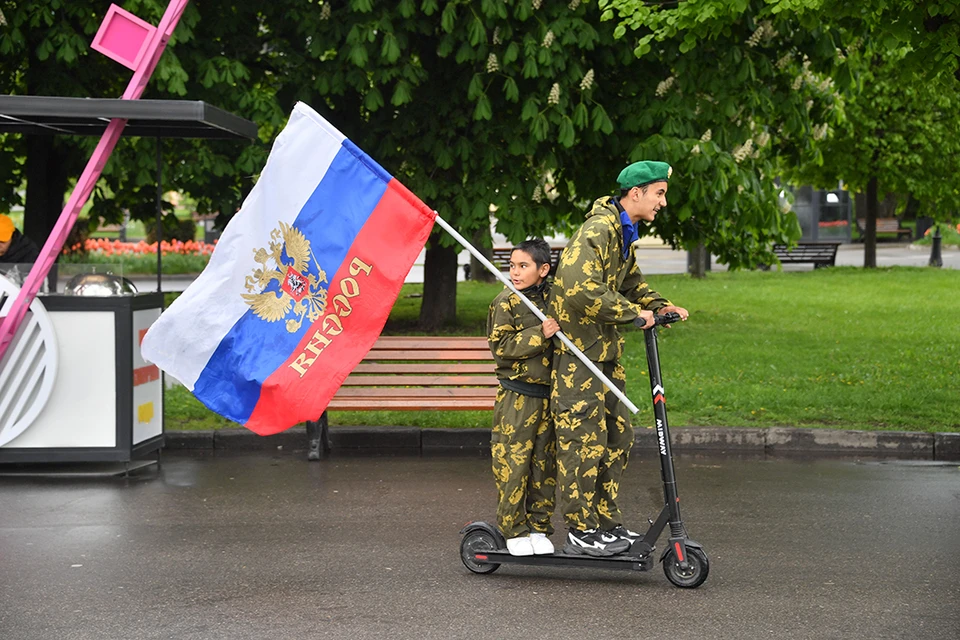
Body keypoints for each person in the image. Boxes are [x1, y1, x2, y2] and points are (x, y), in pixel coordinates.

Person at [549, 160, 689, 557]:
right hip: (580, 356)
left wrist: (661, 306)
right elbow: (580, 288)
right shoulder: (599, 229)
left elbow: (629, 282)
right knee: (583, 440)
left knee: (617, 436)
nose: (663, 201)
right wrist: (633, 315)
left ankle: (604, 524)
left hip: (604, 354)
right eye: (659, 193)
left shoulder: (622, 231)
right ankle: (580, 530)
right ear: (636, 193)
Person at [486, 238, 560, 556]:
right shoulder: (506, 302)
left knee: (544, 465)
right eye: (512, 266)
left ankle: (539, 526)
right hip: (518, 398)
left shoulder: (553, 299)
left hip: (549, 397)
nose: (515, 272)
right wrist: (538, 335)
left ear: (543, 270)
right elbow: (500, 348)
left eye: (523, 266)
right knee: (514, 464)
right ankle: (513, 528)